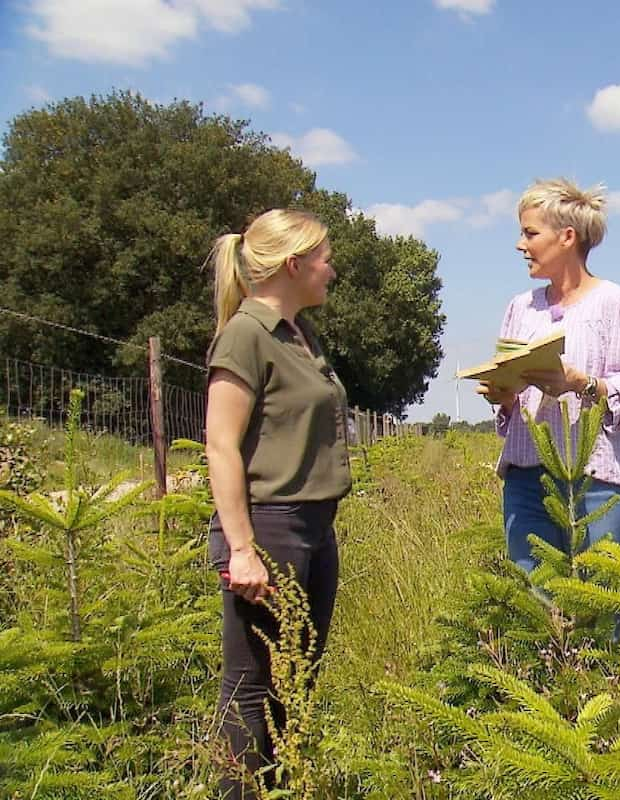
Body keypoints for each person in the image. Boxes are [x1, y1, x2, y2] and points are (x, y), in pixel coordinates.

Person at [204, 208, 350, 798]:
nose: (330, 271)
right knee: (251, 686)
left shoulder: (299, 334)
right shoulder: (245, 334)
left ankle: (288, 788)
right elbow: (221, 444)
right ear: (293, 265)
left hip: (314, 525)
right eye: (323, 259)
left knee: (298, 680)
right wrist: (242, 549)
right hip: (269, 527)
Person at [478, 178, 620, 580]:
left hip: (596, 483)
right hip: (526, 482)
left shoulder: (616, 304)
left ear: (567, 237)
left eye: (530, 233)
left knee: (603, 608)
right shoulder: (519, 309)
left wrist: (580, 383)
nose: (520, 245)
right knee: (538, 606)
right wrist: (503, 396)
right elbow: (513, 408)